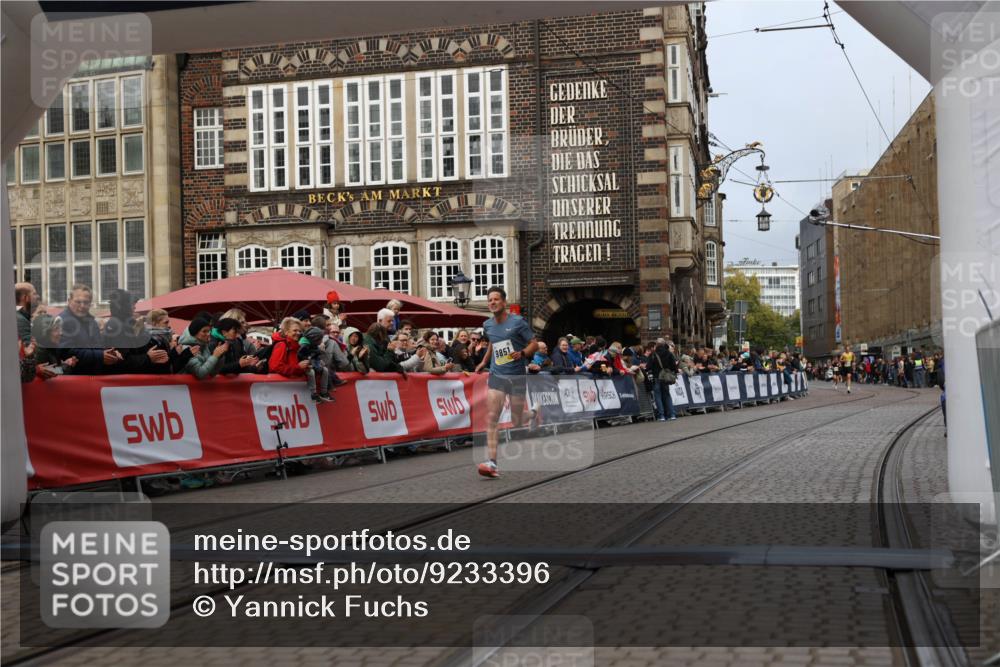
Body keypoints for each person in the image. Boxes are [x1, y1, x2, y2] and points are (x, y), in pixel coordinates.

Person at [474, 286, 538, 479]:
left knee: (517, 420)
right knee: (492, 417)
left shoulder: (518, 322)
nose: (492, 302)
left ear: (504, 302)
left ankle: (533, 414)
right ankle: (492, 462)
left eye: (496, 299)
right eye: (489, 300)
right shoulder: (487, 325)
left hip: (516, 375)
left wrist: (524, 353)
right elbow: (494, 342)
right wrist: (484, 362)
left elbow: (534, 343)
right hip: (497, 375)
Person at [59, 284, 125, 374]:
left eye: (86, 302)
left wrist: (110, 353)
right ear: (69, 301)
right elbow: (66, 352)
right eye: (78, 302)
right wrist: (100, 356)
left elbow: (97, 347)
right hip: (73, 378)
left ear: (90, 303)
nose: (82, 306)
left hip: (92, 376)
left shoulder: (92, 322)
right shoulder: (61, 321)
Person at [298, 325, 334, 402]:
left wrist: (318, 357)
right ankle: (313, 393)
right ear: (314, 338)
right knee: (311, 372)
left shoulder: (314, 345)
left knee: (325, 370)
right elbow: (300, 356)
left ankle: (323, 392)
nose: (321, 341)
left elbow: (315, 354)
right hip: (305, 365)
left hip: (313, 362)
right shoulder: (304, 345)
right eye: (320, 339)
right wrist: (309, 360)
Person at [364, 309, 406, 373]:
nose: (392, 323)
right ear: (380, 321)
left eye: (392, 321)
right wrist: (389, 351)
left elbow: (389, 361)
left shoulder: (385, 337)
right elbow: (380, 366)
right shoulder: (368, 339)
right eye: (389, 321)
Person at [648, 338, 679, 421]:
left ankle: (661, 415)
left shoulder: (653, 354)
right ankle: (672, 414)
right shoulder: (668, 353)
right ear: (664, 344)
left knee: (658, 396)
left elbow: (648, 366)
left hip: (657, 377)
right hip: (665, 378)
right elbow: (674, 366)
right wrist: (674, 372)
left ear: (657, 345)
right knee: (667, 395)